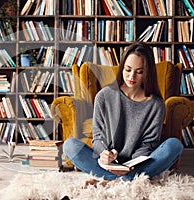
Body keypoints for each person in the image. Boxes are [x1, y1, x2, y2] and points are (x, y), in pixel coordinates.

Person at [63, 42, 184, 186]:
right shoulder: (104, 96)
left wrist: (129, 167)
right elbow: (98, 136)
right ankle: (133, 180)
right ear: (122, 68)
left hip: (137, 164)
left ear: (147, 73)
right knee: (70, 145)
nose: (131, 76)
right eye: (128, 69)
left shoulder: (156, 104)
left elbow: (149, 144)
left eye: (139, 72)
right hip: (107, 163)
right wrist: (103, 154)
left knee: (175, 145)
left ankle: (112, 181)